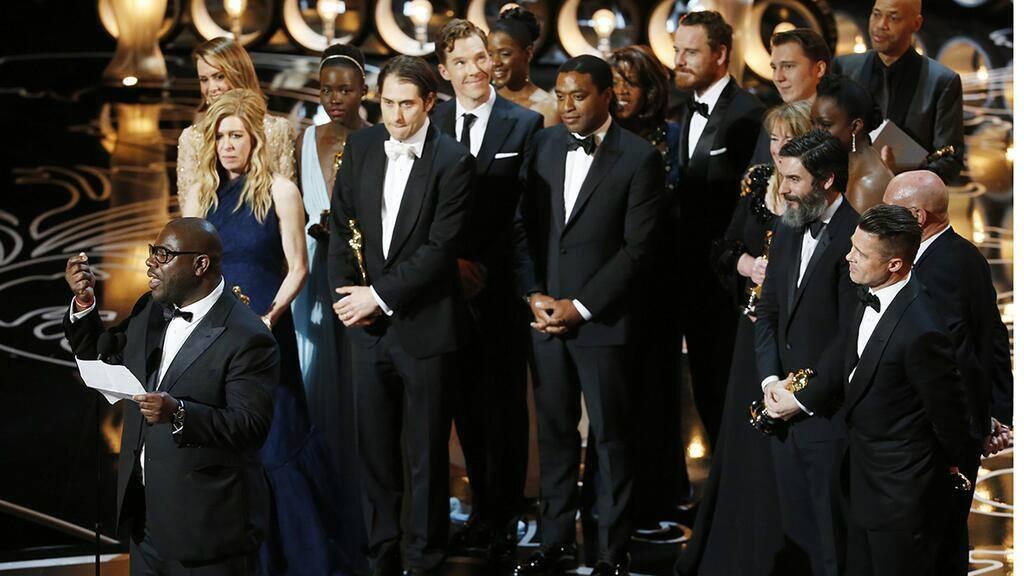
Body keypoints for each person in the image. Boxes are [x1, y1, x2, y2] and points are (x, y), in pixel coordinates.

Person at [182, 89, 349, 575]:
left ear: (255, 139)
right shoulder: (199, 195)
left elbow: (298, 268)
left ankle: (295, 560)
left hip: (264, 336)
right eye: (220, 137)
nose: (228, 145)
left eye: (236, 136)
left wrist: (268, 318)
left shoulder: (281, 190)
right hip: (210, 339)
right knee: (221, 446)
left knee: (277, 442)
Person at [512, 54, 664, 576]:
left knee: (612, 438)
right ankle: (554, 542)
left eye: (578, 96)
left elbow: (637, 250)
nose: (568, 106)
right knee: (555, 435)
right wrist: (534, 294)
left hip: (604, 322)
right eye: (561, 96)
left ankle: (610, 552)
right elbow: (523, 228)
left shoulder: (640, 157)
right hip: (545, 319)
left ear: (606, 96)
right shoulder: (544, 145)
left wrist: (579, 306)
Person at [327, 55, 475, 576]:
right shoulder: (363, 146)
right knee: (374, 453)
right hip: (366, 330)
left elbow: (439, 249)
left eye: (407, 104)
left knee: (426, 456)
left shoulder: (454, 160)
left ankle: (425, 558)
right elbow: (341, 225)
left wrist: (378, 296)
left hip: (426, 327)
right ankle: (380, 556)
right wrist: (348, 297)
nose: (395, 115)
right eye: (387, 103)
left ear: (430, 102)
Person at [63, 218, 278, 575]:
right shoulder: (150, 309)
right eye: (153, 251)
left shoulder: (248, 336)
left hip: (205, 532)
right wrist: (85, 304)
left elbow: (251, 426)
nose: (150, 262)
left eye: (163, 254)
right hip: (145, 524)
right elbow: (103, 353)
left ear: (200, 264)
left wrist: (179, 413)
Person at [677, 101, 812, 576]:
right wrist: (748, 265)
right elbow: (725, 247)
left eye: (788, 140)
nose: (778, 149)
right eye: (773, 139)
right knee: (743, 440)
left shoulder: (817, 192)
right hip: (750, 332)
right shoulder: (757, 183)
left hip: (796, 339)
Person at [431, 19, 544, 563]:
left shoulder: (524, 124)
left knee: (504, 406)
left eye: (481, 58)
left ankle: (506, 513)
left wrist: (494, 273)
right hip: (441, 288)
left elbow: (526, 217)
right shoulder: (431, 122)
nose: (476, 69)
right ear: (444, 70)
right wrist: (448, 265)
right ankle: (479, 510)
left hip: (500, 290)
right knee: (461, 405)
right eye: (462, 62)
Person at [821, 204, 967, 575]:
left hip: (901, 499)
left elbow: (949, 418)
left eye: (860, 253)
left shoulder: (923, 330)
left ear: (894, 265)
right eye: (852, 246)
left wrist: (940, 474)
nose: (849, 257)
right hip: (859, 480)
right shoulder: (867, 291)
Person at [882, 171, 1014, 575]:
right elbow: (993, 337)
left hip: (939, 434)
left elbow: (954, 358)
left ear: (917, 216)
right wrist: (997, 414)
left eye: (890, 208)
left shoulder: (939, 268)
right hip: (959, 426)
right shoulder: (965, 254)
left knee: (935, 540)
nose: (881, 216)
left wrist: (983, 423)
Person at [753, 130, 859, 576]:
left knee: (833, 542)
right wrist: (770, 383)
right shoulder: (787, 226)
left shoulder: (858, 237)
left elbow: (851, 337)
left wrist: (802, 398)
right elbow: (768, 312)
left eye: (794, 179)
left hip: (829, 417)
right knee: (796, 536)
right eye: (783, 177)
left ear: (827, 180)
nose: (783, 190)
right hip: (781, 411)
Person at [292, 42, 372, 574]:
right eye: (326, 90)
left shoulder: (377, 139)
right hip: (311, 273)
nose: (335, 99)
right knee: (312, 381)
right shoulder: (304, 140)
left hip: (359, 278)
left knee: (357, 390)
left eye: (345, 89)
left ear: (364, 90)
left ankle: (360, 509)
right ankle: (312, 508)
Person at [604, 43, 689, 530]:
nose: (619, 93)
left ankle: (659, 496)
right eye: (613, 83)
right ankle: (614, 497)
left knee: (656, 392)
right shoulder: (601, 136)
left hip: (660, 283)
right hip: (608, 287)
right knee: (613, 398)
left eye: (629, 84)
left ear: (651, 89)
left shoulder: (673, 137)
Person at [673, 10, 766, 447]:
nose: (679, 60)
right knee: (705, 390)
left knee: (730, 392)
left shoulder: (749, 115)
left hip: (730, 283)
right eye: (677, 51)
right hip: (692, 279)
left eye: (690, 52)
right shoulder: (683, 108)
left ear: (721, 54)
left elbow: (752, 208)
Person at [832, 0, 965, 183]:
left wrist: (903, 175)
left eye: (893, 18)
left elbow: (950, 161)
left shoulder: (942, 81)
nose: (881, 25)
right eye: (876, 14)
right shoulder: (844, 68)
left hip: (909, 196)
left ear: (916, 23)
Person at [177, 37, 295, 196]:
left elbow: (289, 195)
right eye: (204, 80)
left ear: (240, 75)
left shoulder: (277, 130)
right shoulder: (191, 138)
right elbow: (188, 204)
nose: (212, 88)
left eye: (219, 77)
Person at [812, 74, 892, 213]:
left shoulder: (866, 186)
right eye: (813, 123)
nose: (814, 133)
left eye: (825, 125)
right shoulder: (845, 167)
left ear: (855, 127)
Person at [751, 28, 831, 163]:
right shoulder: (775, 122)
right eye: (774, 68)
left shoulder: (839, 124)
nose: (778, 77)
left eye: (788, 66)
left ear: (819, 69)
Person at [487, 5, 559, 126]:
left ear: (528, 53)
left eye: (505, 54)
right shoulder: (482, 102)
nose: (495, 62)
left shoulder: (548, 109)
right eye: (490, 55)